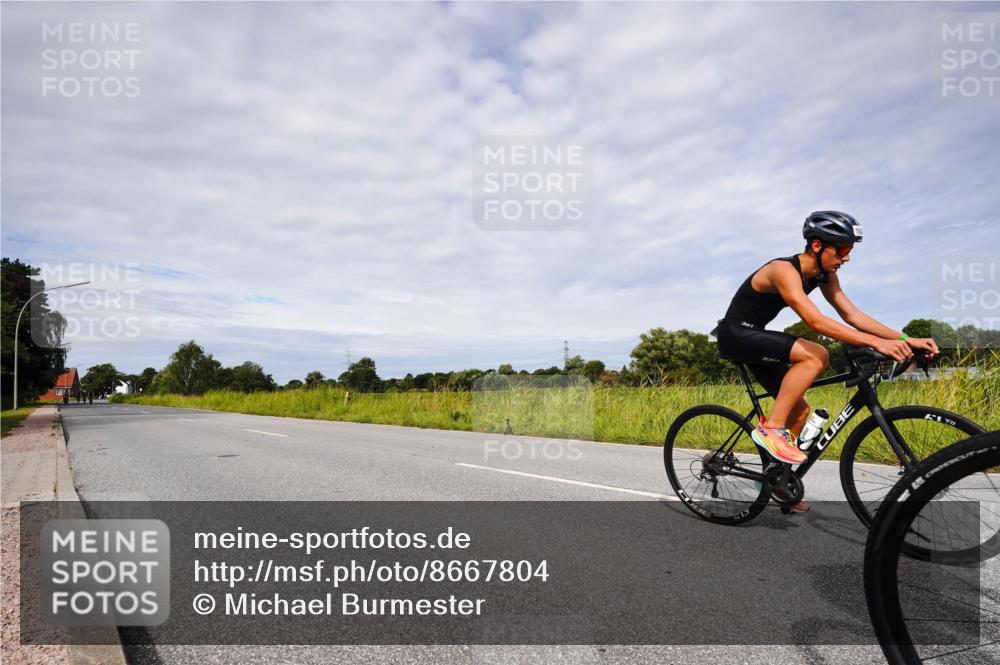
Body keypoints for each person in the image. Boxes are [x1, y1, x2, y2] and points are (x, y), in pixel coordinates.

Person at [715, 211, 939, 508]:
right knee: (816, 354)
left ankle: (774, 481)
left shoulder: (824, 275)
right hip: (736, 335)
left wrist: (904, 339)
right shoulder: (783, 270)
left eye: (850, 251)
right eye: (843, 249)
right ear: (818, 246)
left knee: (800, 411)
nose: (847, 258)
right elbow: (815, 321)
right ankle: (771, 429)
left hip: (756, 338)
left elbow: (852, 315)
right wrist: (877, 343)